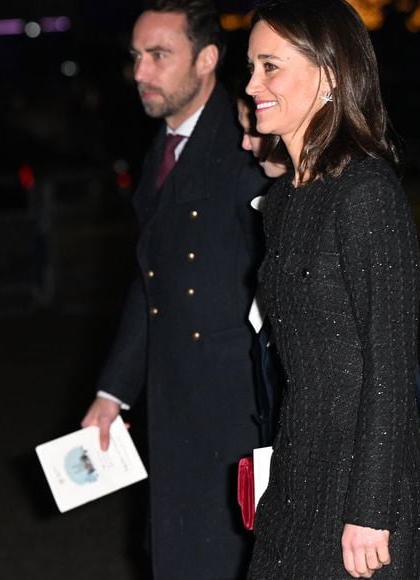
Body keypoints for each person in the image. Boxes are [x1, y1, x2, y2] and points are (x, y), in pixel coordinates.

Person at [244, 0, 420, 577]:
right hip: (298, 470)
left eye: (269, 66)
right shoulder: (282, 202)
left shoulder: (366, 192)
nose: (252, 84)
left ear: (328, 76)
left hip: (364, 491)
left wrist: (371, 509)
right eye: (251, 66)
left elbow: (392, 363)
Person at [81, 1, 268, 578]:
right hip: (174, 405)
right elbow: (151, 282)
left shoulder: (246, 142)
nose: (141, 72)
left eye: (159, 55)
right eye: (137, 57)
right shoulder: (161, 149)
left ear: (207, 59)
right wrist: (113, 393)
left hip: (235, 414)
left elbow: (285, 281)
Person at [237, 96, 420, 541]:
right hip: (292, 462)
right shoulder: (274, 212)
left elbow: (398, 374)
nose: (246, 142)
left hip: (348, 473)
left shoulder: (356, 200)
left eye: (254, 131)